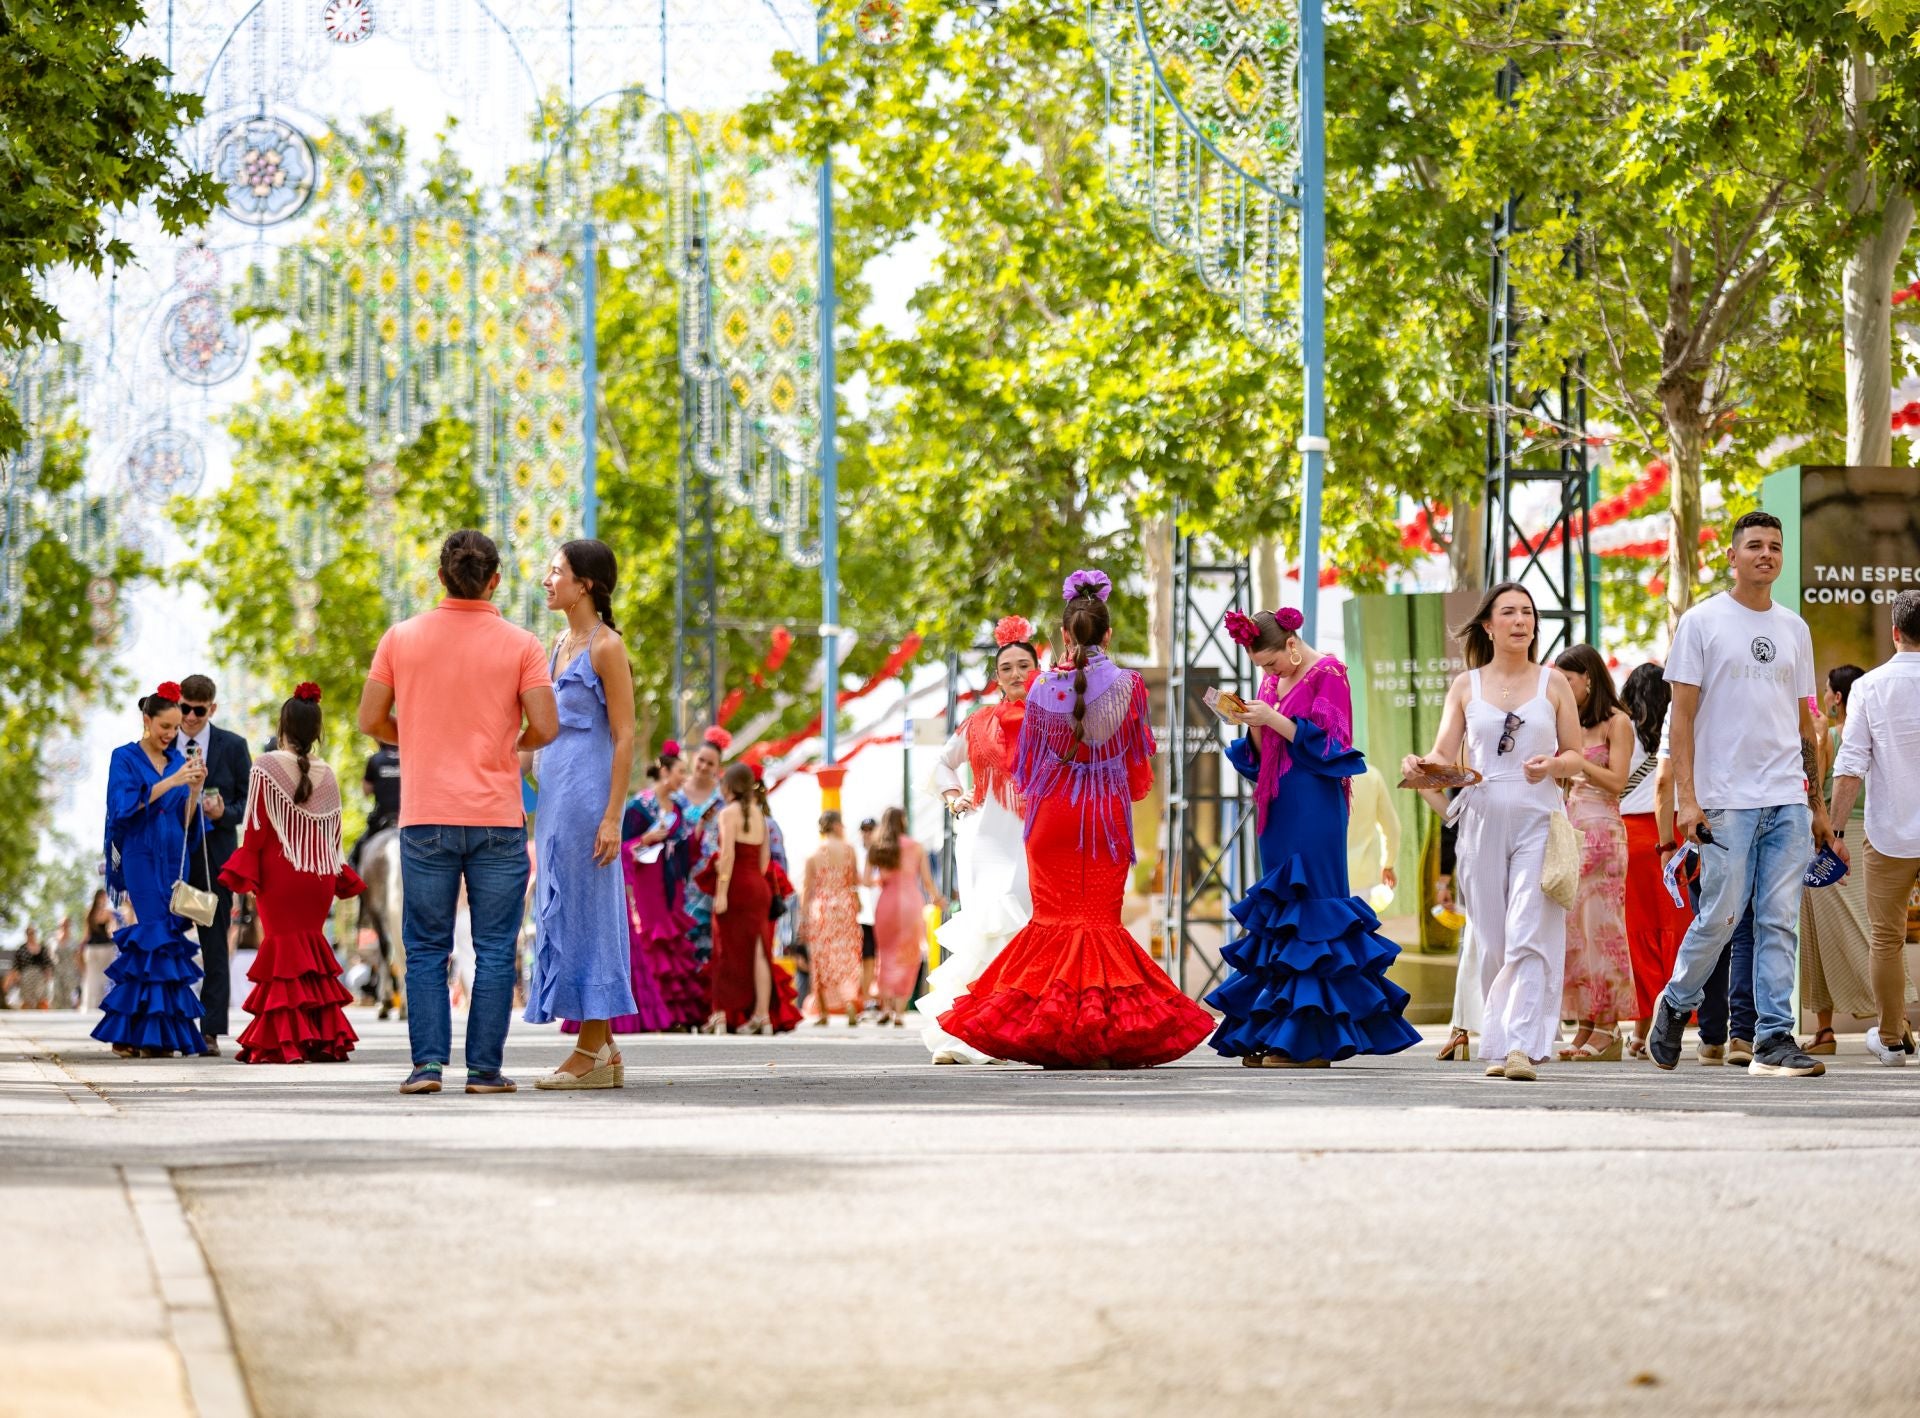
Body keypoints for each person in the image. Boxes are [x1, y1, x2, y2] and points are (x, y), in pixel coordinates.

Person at [942, 569, 1213, 1068]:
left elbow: (1028, 769)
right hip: (1104, 816)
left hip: (1052, 819)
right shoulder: (1131, 687)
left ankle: (1052, 1035)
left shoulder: (1043, 688)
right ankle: (1102, 1035)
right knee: (1098, 923)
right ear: (1107, 634)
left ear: (1063, 637)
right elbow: (1137, 771)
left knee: (1052, 924)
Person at [358, 530, 558, 1095]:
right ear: (495, 580)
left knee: (425, 946)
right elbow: (545, 726)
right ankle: (484, 1071)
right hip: (497, 817)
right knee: (496, 947)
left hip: (425, 818)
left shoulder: (402, 638)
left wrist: (416, 739)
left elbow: (370, 718)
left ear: (441, 577)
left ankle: (426, 1067)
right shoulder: (522, 645)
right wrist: (504, 744)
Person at [1647, 510, 1836, 1079]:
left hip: (1786, 797)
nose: (1766, 555)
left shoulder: (1794, 628)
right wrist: (1687, 798)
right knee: (1723, 916)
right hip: (1725, 799)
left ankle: (1773, 1037)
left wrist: (1818, 806)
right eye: (1754, 545)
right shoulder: (1702, 623)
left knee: (1779, 920)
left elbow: (1805, 726)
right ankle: (1677, 1001)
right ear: (1731, 556)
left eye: (1775, 546)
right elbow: (1680, 721)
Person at [1208, 608, 1421, 1067]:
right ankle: (1278, 1030)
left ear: (1290, 643)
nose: (1268, 673)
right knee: (1282, 917)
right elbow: (1267, 752)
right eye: (1261, 667)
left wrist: (1275, 721)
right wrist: (1252, 723)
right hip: (1277, 803)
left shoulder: (1330, 672)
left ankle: (1312, 1040)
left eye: (1270, 663)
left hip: (1315, 803)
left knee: (1312, 913)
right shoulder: (1269, 683)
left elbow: (1334, 745)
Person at [1404, 583, 1589, 1081]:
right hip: (1481, 817)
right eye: (1508, 612)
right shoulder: (1467, 686)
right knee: (1492, 938)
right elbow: (1445, 755)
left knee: (1530, 929)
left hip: (1538, 816)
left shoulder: (1554, 684)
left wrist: (1552, 764)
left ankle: (1521, 1048)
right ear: (1488, 624)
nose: (1520, 620)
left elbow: (1576, 754)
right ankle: (1500, 1038)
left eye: (1528, 612)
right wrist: (1422, 765)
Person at [519, 540, 641, 1090]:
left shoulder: (606, 647)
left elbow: (625, 735)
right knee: (562, 912)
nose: (547, 580)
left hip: (590, 798)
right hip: (556, 799)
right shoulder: (557, 642)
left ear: (585, 583)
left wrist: (613, 815)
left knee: (589, 915)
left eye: (556, 572)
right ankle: (605, 1050)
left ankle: (589, 1049)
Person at [215, 685, 363, 1063]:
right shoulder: (328, 773)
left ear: (283, 726)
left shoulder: (265, 767)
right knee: (311, 949)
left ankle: (286, 1040)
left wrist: (247, 872)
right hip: (318, 876)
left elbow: (258, 828)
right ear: (317, 730)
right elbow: (333, 837)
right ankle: (321, 1038)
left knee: (282, 952)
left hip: (280, 872)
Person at [915, 618, 1040, 1062]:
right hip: (985, 836)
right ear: (996, 676)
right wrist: (953, 797)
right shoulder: (978, 722)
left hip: (1035, 835)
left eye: (1023, 665)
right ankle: (963, 1034)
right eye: (1006, 667)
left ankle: (1015, 1030)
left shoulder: (1054, 718)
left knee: (1021, 922)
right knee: (987, 924)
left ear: (1037, 668)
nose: (1015, 674)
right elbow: (943, 764)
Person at [94, 682, 211, 1057]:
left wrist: (193, 790)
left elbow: (188, 821)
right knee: (153, 931)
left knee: (168, 936)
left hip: (175, 855)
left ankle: (145, 1034)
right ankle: (144, 1034)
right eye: (165, 727)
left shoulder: (179, 762)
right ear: (147, 720)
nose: (171, 735)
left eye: (176, 728)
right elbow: (123, 808)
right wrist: (172, 781)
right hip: (140, 853)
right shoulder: (124, 757)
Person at [1829, 588, 1920, 1065]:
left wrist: (1836, 833)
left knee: (1887, 937)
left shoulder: (1870, 687)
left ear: (1894, 632)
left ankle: (1888, 1037)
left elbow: (1851, 764)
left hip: (1891, 835)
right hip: (1893, 835)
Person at [1550, 645, 1636, 1060]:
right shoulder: (1569, 726)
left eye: (1568, 681)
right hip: (1573, 833)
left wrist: (1576, 762)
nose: (1563, 689)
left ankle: (1610, 1027)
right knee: (1576, 935)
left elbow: (1617, 781)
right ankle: (1586, 1022)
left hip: (1604, 833)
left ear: (1588, 677)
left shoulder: (1617, 723)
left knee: (1604, 932)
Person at [1798, 663, 1883, 1054]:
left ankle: (1836, 1026)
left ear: (1836, 698)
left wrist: (1814, 735)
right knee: (1873, 930)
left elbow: (1813, 785)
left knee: (1828, 935)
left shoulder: (1831, 736)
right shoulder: (1875, 736)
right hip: (1872, 837)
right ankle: (1880, 1019)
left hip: (1831, 840)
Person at [588, 744, 696, 1034]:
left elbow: (687, 847)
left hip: (671, 881)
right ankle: (653, 1012)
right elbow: (621, 845)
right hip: (645, 881)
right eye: (681, 772)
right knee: (652, 942)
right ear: (665, 771)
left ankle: (674, 1013)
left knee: (673, 943)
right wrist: (646, 839)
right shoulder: (639, 806)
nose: (684, 778)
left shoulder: (680, 809)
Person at [175, 674, 253, 1055]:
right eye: (184, 708)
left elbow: (248, 804)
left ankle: (210, 1030)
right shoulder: (163, 740)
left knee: (214, 944)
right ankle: (169, 1024)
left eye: (198, 711)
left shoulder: (234, 746)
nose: (189, 717)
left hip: (216, 859)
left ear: (212, 709)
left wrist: (224, 812)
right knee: (168, 941)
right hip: (171, 857)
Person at [1617, 664, 1692, 1059]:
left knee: (1639, 934)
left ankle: (1640, 1028)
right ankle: (1672, 1018)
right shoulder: (1680, 727)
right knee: (1677, 930)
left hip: (1631, 835)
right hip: (1674, 833)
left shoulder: (1621, 729)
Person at [705, 762, 800, 1033]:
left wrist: (722, 892)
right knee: (760, 951)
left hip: (736, 886)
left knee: (726, 951)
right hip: (759, 887)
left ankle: (721, 1015)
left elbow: (727, 855)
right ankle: (762, 1016)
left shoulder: (727, 814)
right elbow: (764, 860)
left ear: (729, 786)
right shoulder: (760, 815)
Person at [864, 807, 943, 1027]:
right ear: (903, 821)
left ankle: (886, 1007)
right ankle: (899, 1010)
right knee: (909, 953)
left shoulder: (877, 847)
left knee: (885, 954)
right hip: (910, 903)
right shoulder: (916, 847)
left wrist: (883, 881)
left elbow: (865, 880)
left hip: (886, 902)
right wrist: (937, 898)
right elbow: (927, 882)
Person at [802, 811, 865, 1025]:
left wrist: (802, 919)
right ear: (837, 825)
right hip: (845, 905)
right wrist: (857, 903)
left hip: (822, 907)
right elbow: (854, 880)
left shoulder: (813, 854)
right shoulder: (849, 850)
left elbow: (807, 888)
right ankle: (849, 1001)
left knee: (821, 958)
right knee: (846, 957)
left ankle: (823, 1012)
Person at [675, 728, 730, 964]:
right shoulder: (676, 793)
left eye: (710, 763)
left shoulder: (722, 798)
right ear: (693, 759)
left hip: (711, 877)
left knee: (708, 942)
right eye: (701, 760)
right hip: (680, 875)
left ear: (718, 767)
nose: (704, 766)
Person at [1345, 764, 1402, 908]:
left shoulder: (1311, 775)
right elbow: (1392, 827)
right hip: (1361, 877)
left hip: (1321, 879)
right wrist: (1388, 863)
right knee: (1357, 928)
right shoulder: (1370, 775)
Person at [351, 739, 401, 871]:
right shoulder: (410, 759)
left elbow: (366, 791)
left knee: (357, 853)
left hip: (382, 818)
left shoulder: (375, 760)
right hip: (407, 819)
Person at [856, 817, 880, 1013]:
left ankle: (879, 997)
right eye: (864, 830)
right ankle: (866, 998)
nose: (867, 833)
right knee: (867, 956)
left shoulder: (883, 852)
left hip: (881, 909)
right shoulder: (858, 853)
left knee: (880, 956)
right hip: (864, 913)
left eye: (870, 829)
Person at [80, 891, 117, 1013]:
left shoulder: (90, 912)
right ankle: (96, 1006)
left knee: (94, 978)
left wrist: (81, 947)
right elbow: (111, 931)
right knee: (99, 977)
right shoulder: (106, 913)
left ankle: (93, 1005)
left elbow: (86, 935)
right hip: (101, 949)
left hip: (95, 949)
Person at [7, 926, 54, 1009]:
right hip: (26, 979)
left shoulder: (42, 949)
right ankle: (25, 1020)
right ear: (26, 935)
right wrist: (12, 980)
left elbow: (48, 964)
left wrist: (48, 977)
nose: (31, 935)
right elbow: (15, 967)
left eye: (33, 933)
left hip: (40, 979)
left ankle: (41, 1019)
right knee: (26, 1002)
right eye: (29, 933)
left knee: (42, 1001)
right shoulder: (21, 950)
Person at [51, 918, 81, 1009]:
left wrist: (82, 973)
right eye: (62, 924)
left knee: (69, 1001)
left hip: (70, 974)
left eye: (66, 924)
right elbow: (51, 956)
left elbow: (78, 959)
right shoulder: (53, 940)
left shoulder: (74, 942)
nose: (64, 926)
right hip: (57, 973)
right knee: (56, 998)